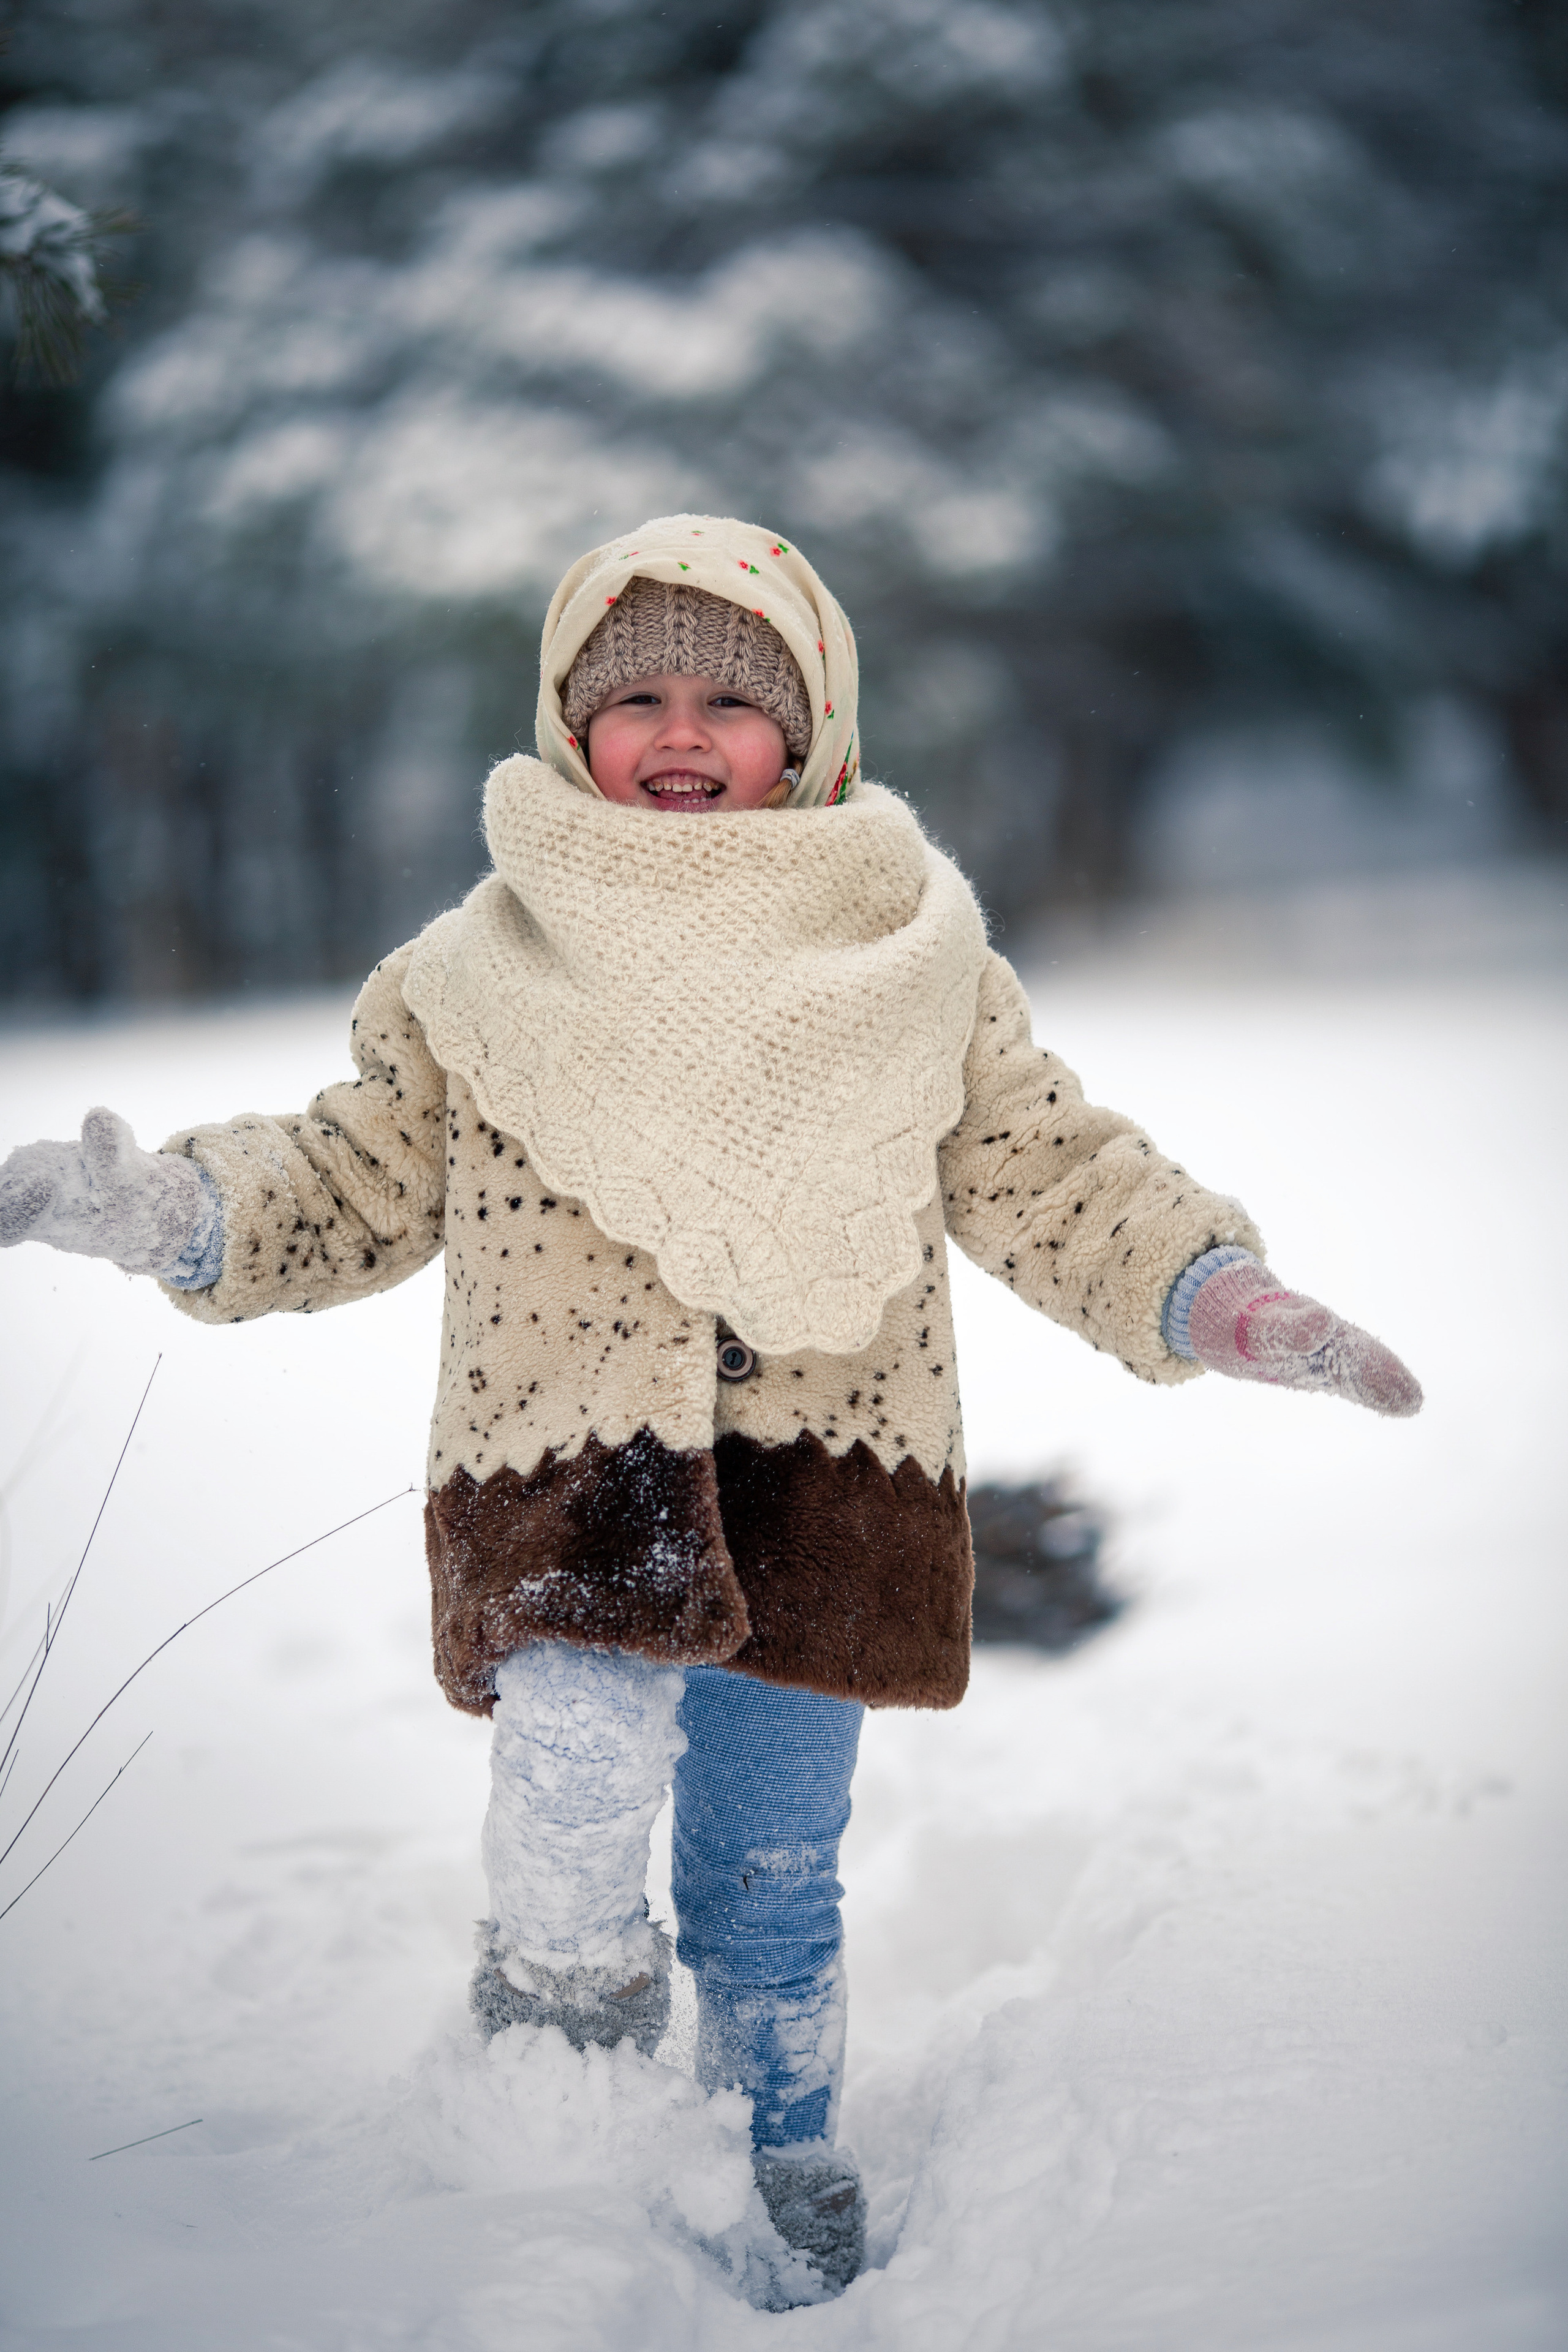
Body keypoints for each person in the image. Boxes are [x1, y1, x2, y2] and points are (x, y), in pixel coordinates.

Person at [0, 513, 1420, 2305]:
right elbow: (349, 1177)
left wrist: (1217, 1291)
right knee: (575, 1799)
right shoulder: (476, 970)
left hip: (833, 1481)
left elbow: (1054, 1171)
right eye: (636, 697)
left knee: (771, 1861)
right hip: (568, 1474)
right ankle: (562, 2135)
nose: (680, 734)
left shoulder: (915, 962)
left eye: (730, 704)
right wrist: (177, 1208)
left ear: (814, 726)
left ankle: (782, 2131)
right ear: (566, 721)